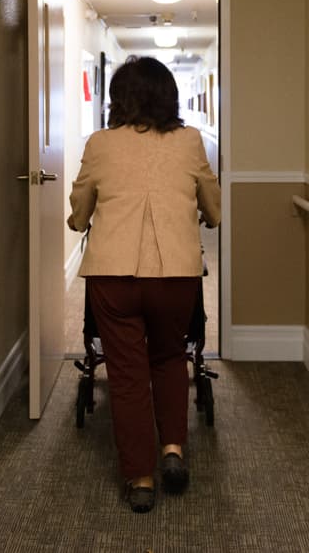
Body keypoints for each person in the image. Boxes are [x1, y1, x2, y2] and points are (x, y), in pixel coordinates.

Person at [66, 56, 221, 513]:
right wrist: (205, 215)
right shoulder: (190, 141)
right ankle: (172, 449)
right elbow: (213, 206)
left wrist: (79, 220)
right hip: (176, 276)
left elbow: (80, 209)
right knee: (170, 358)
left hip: (114, 277)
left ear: (119, 99)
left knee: (127, 374)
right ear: (169, 97)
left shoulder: (100, 143)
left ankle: (141, 478)